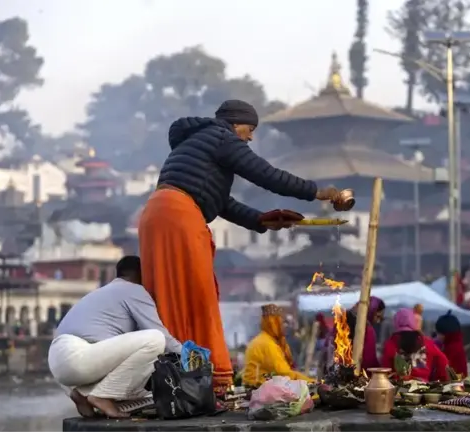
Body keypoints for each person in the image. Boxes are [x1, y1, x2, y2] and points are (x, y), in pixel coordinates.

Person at [138, 101, 341, 392]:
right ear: (236, 123)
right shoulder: (222, 137)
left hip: (155, 215)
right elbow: (266, 174)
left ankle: (176, 379)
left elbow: (221, 203)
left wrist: (261, 220)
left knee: (169, 297)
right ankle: (211, 380)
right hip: (179, 217)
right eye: (250, 129)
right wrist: (318, 192)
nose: (250, 137)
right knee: (198, 295)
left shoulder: (200, 144)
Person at [48, 256, 181, 418]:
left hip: (58, 363)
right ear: (142, 274)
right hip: (78, 356)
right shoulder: (134, 290)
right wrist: (188, 353)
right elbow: (163, 337)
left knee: (146, 394)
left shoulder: (101, 293)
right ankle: (101, 397)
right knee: (156, 339)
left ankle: (82, 395)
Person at [242, 304, 314, 387]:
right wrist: (310, 382)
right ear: (274, 324)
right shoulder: (267, 344)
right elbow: (284, 373)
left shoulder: (263, 340)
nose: (283, 327)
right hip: (259, 389)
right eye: (280, 323)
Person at [382, 309, 449, 382]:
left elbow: (384, 370)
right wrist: (442, 380)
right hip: (423, 388)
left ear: (395, 322)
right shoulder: (426, 341)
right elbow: (443, 360)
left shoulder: (391, 343)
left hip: (399, 388)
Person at [435, 311, 468, 377]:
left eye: (439, 333)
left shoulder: (452, 348)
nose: (437, 336)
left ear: (446, 333)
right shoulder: (454, 343)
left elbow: (444, 370)